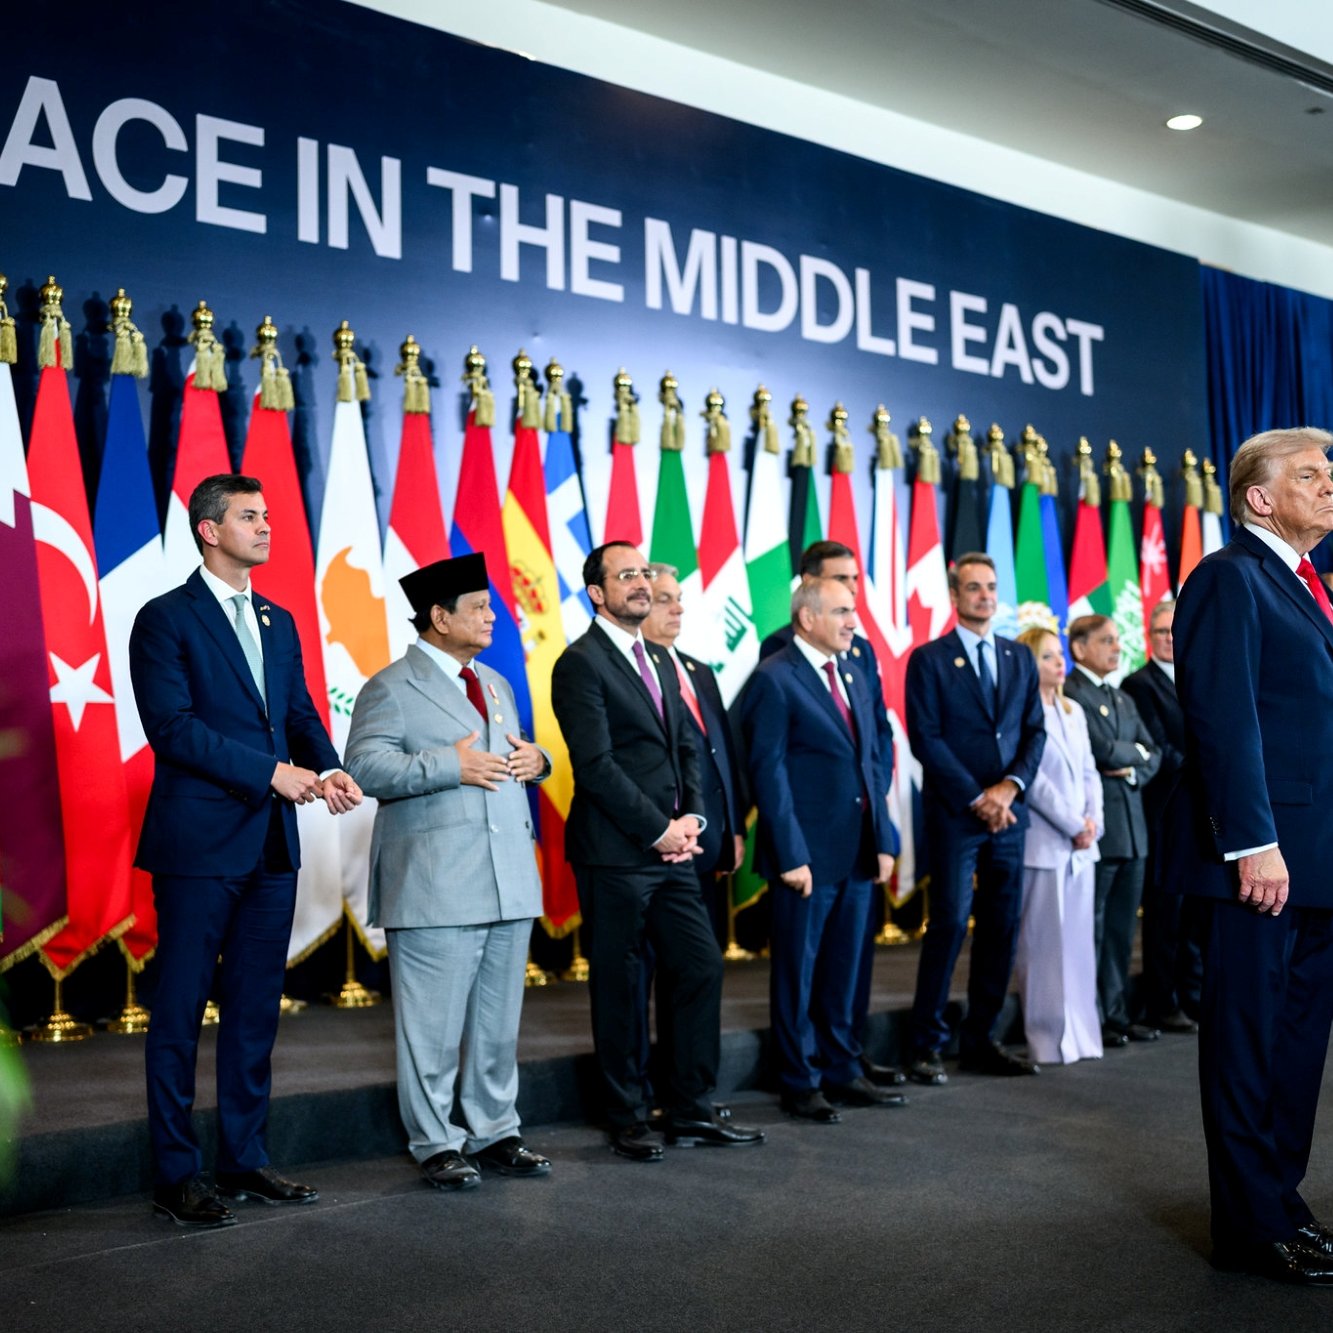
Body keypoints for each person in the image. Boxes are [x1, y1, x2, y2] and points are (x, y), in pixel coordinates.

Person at [129, 473, 362, 1228]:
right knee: (179, 1011)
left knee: (255, 1010)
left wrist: (326, 767)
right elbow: (174, 728)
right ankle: (175, 1172)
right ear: (208, 528)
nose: (265, 526)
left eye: (267, 514)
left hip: (269, 847)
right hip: (198, 845)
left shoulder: (278, 619)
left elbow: (296, 711)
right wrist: (272, 773)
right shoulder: (164, 619)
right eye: (249, 516)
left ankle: (245, 1156)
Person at [1166, 427, 1333, 1284]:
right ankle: (1246, 1228)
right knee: (1246, 1046)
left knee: (1297, 1047)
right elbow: (1223, 719)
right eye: (1309, 473)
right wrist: (1253, 842)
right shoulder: (1228, 578)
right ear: (1258, 497)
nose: (1328, 485)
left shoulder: (1311, 588)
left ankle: (1282, 1206)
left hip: (1320, 863)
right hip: (1259, 865)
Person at [345, 554, 551, 1192]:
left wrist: (537, 762)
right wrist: (446, 766)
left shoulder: (493, 682)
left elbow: (511, 758)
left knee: (497, 1023)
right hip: (435, 885)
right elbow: (366, 769)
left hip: (507, 878)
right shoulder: (389, 687)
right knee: (430, 1029)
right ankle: (435, 1140)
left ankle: (495, 1129)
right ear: (439, 617)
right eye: (480, 608)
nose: (493, 617)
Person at [550, 542, 764, 1161]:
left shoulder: (662, 660)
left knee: (699, 965)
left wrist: (692, 819)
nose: (641, 584)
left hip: (673, 852)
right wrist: (657, 829)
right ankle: (627, 1114)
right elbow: (595, 768)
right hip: (617, 854)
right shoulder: (580, 664)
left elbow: (687, 751)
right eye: (627, 576)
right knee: (619, 986)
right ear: (597, 593)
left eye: (645, 573)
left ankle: (690, 1108)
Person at [742, 580, 903, 1122]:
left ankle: (842, 1068)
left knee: (844, 970)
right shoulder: (774, 679)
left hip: (857, 852)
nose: (852, 621)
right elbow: (769, 773)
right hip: (805, 859)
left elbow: (872, 763)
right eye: (840, 611)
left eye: (852, 611)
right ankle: (800, 1078)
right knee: (798, 973)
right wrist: (790, 854)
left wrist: (883, 840)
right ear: (806, 619)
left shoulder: (853, 671)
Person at [904, 552, 1046, 1083]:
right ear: (955, 596)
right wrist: (977, 798)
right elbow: (927, 739)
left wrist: (1008, 790)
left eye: (991, 587)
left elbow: (1035, 731)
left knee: (1001, 928)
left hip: (1010, 816)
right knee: (947, 924)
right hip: (956, 816)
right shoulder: (930, 659)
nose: (985, 596)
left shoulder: (1017, 657)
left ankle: (980, 1039)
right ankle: (925, 1044)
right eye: (974, 588)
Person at [1064, 616, 1161, 1048]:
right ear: (1079, 648)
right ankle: (1094, 1015)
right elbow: (1100, 750)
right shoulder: (1072, 694)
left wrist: (1133, 765)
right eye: (1106, 641)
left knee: (1122, 933)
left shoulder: (1121, 698)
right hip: (1100, 832)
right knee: (1095, 929)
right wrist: (1131, 756)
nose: (1116, 648)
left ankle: (1117, 1015)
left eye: (1118, 640)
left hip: (1134, 831)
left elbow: (1152, 753)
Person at [1011, 627, 1103, 1065]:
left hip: (1082, 847)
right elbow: (1035, 783)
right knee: (1044, 948)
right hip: (1045, 843)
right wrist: (1072, 823)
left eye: (1059, 655)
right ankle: (1047, 1040)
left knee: (1079, 946)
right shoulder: (1024, 714)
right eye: (1047, 657)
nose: (1059, 663)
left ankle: (1083, 1035)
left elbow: (1090, 771)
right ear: (1031, 664)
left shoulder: (1073, 711)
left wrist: (1092, 823)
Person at [1121, 600, 1202, 1033]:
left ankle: (1193, 997)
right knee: (1163, 917)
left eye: (1175, 630)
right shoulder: (1139, 684)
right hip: (1161, 814)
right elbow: (1157, 748)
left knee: (1194, 916)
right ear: (1148, 638)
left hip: (1200, 816)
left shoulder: (1199, 675)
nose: (1170, 638)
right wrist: (1208, 765)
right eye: (1161, 632)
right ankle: (1161, 1001)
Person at [642, 564, 747, 893]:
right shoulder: (635, 674)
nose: (679, 608)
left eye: (679, 598)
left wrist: (734, 827)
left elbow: (723, 753)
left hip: (712, 837)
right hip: (665, 842)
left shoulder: (698, 670)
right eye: (664, 599)